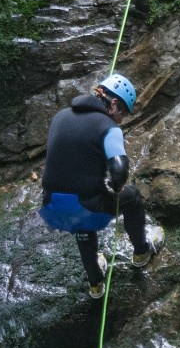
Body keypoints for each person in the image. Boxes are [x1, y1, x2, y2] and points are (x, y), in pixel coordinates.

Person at [37, 72, 163, 299]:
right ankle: (141, 253)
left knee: (82, 215)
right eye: (123, 112)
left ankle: (95, 283)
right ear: (113, 103)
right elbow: (119, 168)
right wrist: (116, 186)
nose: (122, 119)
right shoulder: (109, 127)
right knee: (131, 197)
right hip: (84, 208)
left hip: (51, 206)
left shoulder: (60, 116)